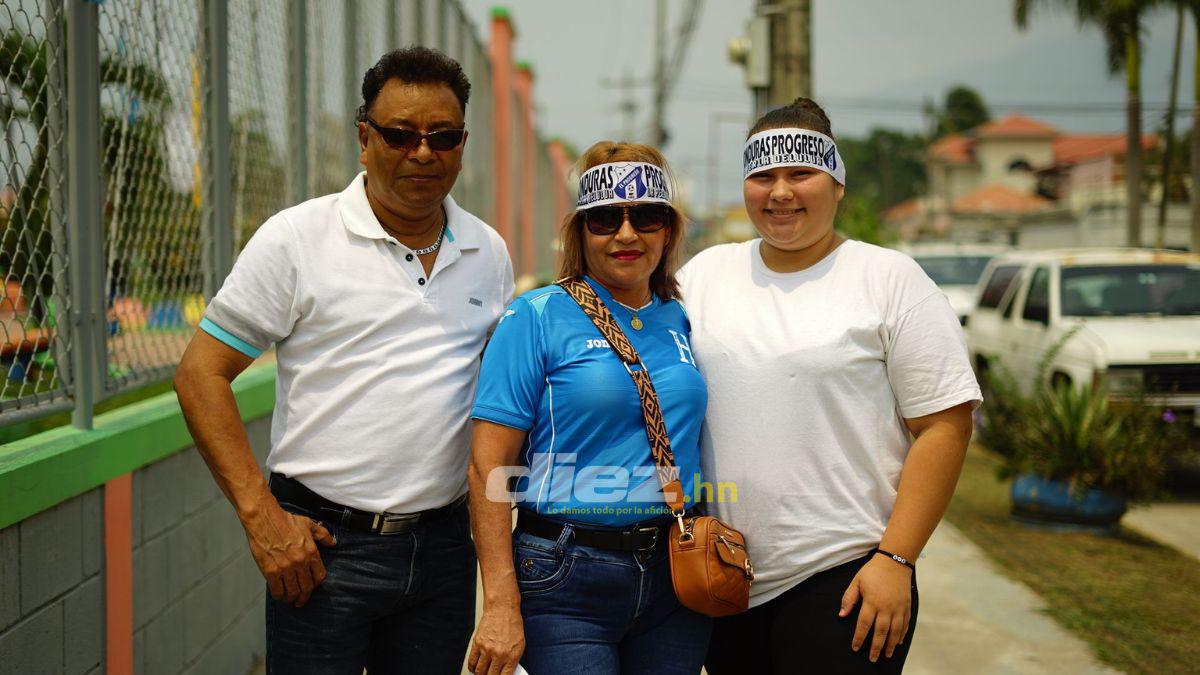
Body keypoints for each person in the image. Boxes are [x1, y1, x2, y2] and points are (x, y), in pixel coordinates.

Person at [173, 46, 514, 674]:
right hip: (322, 551)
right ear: (364, 138)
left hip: (441, 551)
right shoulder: (298, 239)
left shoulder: (488, 253)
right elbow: (200, 374)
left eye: (442, 136)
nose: (422, 152)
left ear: (461, 143)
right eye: (399, 134)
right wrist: (262, 520)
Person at [680, 98, 981, 673]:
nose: (781, 192)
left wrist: (897, 558)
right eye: (762, 175)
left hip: (845, 579)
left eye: (801, 173)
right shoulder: (704, 276)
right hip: (724, 580)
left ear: (837, 183)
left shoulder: (889, 279)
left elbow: (945, 425)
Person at [466, 142, 711, 675]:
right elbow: (488, 468)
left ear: (667, 229)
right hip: (565, 577)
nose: (627, 234)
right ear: (580, 231)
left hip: (675, 572)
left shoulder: (681, 317)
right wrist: (501, 605)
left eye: (646, 216)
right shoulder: (535, 316)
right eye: (604, 218)